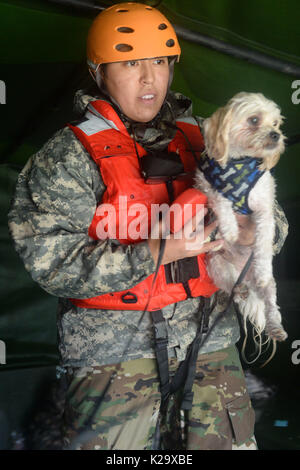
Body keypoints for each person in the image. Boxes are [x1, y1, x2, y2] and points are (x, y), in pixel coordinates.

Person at [8, 3, 288, 450]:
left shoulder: (209, 135)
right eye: (130, 63)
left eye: (159, 61)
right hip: (114, 352)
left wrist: (254, 232)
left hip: (210, 337)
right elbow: (50, 263)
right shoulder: (66, 157)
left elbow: (272, 219)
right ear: (99, 71)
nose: (148, 78)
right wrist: (161, 251)